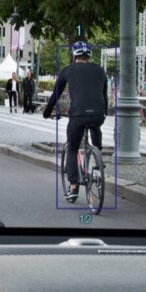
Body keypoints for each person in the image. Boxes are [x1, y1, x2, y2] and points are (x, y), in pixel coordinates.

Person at [43, 41, 108, 203]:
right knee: (95, 126)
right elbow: (104, 95)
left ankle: (73, 186)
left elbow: (55, 95)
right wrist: (103, 112)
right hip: (98, 113)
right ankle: (96, 159)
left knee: (72, 147)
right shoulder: (100, 71)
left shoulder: (68, 70)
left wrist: (47, 112)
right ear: (89, 56)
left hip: (78, 115)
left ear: (74, 55)